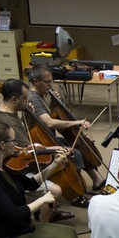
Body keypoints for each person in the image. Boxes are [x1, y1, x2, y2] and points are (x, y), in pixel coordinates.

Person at [0, 78, 78, 221]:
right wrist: (56, 148)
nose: (27, 101)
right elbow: (28, 151)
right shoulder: (7, 122)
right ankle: (45, 224)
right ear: (13, 100)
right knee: (56, 190)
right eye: (24, 99)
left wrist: (27, 115)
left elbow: (26, 137)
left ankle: (51, 210)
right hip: (13, 170)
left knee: (53, 165)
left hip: (17, 161)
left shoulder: (3, 111)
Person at [27, 64, 108, 192]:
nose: (50, 85)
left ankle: (96, 179)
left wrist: (54, 103)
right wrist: (76, 123)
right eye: (47, 82)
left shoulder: (41, 95)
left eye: (51, 81)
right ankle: (77, 188)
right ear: (36, 82)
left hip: (48, 136)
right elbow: (49, 123)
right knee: (75, 153)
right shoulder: (33, 98)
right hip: (40, 140)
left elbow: (50, 114)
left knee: (75, 144)